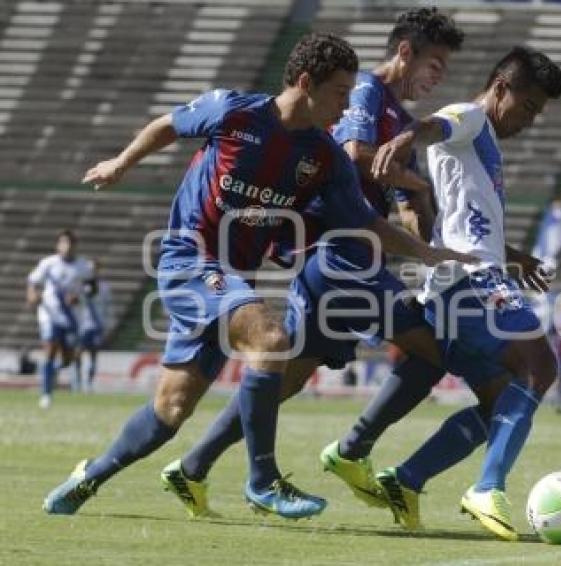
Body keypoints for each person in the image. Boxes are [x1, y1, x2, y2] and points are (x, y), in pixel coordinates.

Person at [42, 32, 465, 518]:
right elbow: (167, 125)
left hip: (231, 279)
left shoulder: (324, 157)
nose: (345, 106)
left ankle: (87, 477)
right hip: (189, 260)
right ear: (305, 83)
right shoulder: (233, 112)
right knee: (270, 338)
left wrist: (427, 254)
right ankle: (263, 481)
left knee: (170, 413)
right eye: (338, 94)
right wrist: (121, 162)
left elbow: (366, 223)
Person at [158, 7, 472, 520]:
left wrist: (431, 240)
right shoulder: (369, 93)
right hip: (340, 259)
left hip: (351, 260)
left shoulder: (400, 120)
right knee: (434, 350)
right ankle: (352, 450)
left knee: (283, 377)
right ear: (406, 52)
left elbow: (402, 204)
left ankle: (192, 467)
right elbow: (351, 153)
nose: (439, 76)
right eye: (435, 63)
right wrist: (419, 185)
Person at [361, 45, 561, 541]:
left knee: (500, 402)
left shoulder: (483, 143)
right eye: (529, 107)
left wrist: (518, 258)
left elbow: (464, 222)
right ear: (501, 88)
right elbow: (436, 124)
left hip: (461, 282)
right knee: (540, 365)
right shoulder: (471, 117)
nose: (531, 120)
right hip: (469, 282)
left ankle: (406, 480)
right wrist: (407, 135)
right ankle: (486, 487)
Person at [27, 230, 91, 408]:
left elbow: (92, 288)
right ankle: (46, 394)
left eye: (70, 243)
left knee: (68, 359)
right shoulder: (48, 264)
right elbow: (33, 281)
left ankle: (51, 372)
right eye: (63, 243)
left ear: (75, 246)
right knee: (50, 348)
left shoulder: (83, 266)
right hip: (49, 314)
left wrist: (79, 297)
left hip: (71, 317)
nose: (67, 247)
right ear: (58, 245)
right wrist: (32, 296)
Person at [78, 259, 111, 392]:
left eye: (94, 269)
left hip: (97, 325)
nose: (92, 272)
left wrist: (106, 324)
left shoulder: (104, 287)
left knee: (93, 355)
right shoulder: (81, 285)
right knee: (77, 354)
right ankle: (77, 383)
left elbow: (107, 307)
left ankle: (89, 384)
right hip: (82, 325)